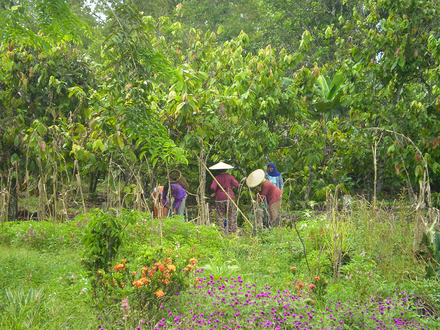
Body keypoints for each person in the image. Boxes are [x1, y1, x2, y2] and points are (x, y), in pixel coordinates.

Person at [209, 162, 240, 233]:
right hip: (229, 197)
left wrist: (217, 190)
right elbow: (237, 185)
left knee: (220, 215)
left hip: (219, 198)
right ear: (226, 170)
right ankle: (232, 231)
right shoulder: (230, 177)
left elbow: (213, 187)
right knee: (231, 214)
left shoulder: (216, 178)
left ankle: (221, 231)